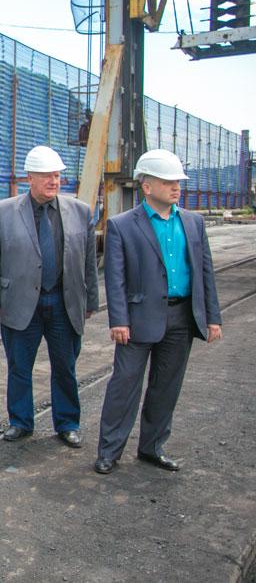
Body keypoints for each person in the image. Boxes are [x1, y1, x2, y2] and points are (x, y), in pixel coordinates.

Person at [94, 149, 222, 475]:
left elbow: (205, 272)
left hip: (181, 317)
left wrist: (212, 317)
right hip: (137, 321)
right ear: (147, 186)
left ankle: (152, 447)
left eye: (178, 181)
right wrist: (119, 320)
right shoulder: (122, 226)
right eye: (168, 182)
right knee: (124, 385)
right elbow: (115, 278)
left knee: (166, 387)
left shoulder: (193, 223)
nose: (176, 187)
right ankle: (109, 451)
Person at [0, 145, 99, 448]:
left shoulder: (80, 212)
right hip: (21, 302)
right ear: (29, 178)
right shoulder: (5, 211)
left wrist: (91, 301)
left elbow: (89, 262)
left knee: (65, 366)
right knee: (19, 366)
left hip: (63, 302)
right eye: (47, 176)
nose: (53, 181)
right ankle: (20, 421)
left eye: (57, 176)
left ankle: (67, 423)